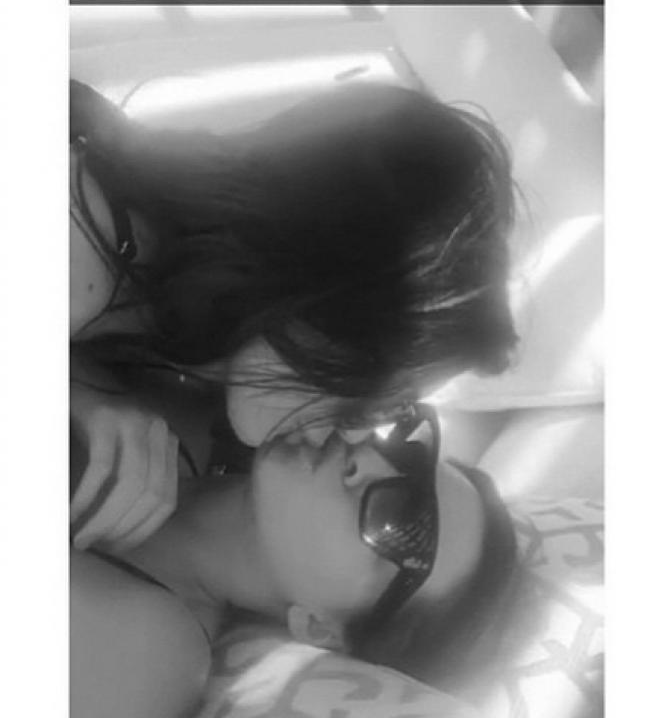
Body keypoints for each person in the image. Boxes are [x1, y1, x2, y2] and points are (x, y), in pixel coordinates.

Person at [69, 78, 518, 549]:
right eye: (370, 395)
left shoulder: (194, 338)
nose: (359, 435)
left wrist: (91, 392)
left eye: (393, 410)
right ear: (312, 285)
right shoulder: (79, 253)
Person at [70, 404, 517, 718]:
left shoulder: (146, 653)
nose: (367, 457)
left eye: (401, 522)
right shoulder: (183, 404)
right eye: (406, 446)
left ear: (320, 627)